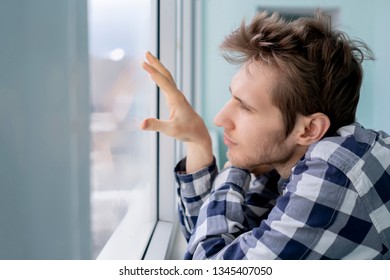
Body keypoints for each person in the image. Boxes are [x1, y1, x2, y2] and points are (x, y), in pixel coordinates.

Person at [140, 10, 390, 259]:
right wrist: (198, 143)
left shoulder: (334, 170)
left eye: (245, 106)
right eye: (232, 97)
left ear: (310, 129)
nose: (219, 118)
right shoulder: (284, 167)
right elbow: (213, 240)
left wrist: (234, 165)